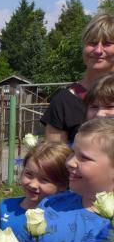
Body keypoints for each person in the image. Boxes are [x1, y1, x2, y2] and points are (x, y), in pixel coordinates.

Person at [41, 12, 114, 144]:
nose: (98, 50)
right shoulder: (64, 102)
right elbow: (54, 155)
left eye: (107, 43)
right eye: (92, 43)